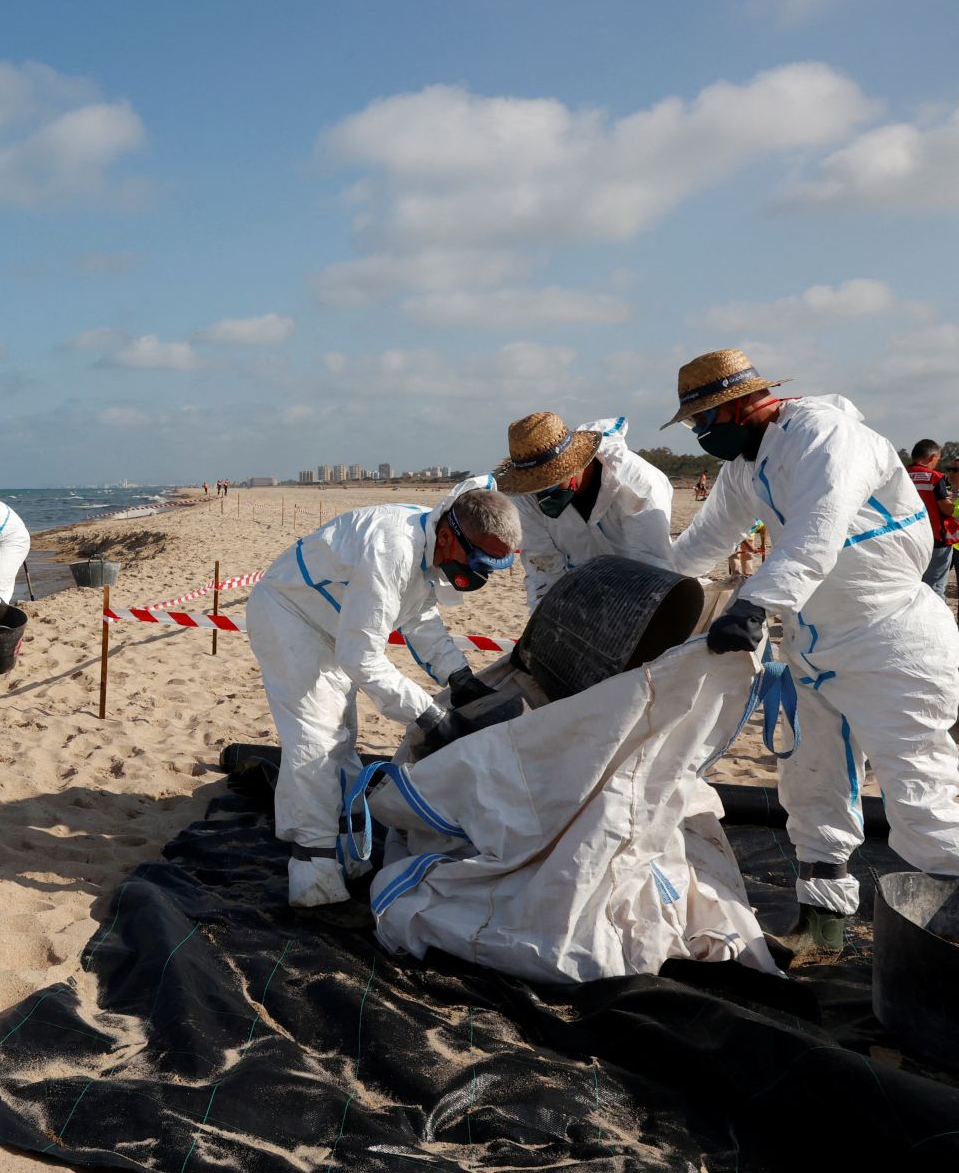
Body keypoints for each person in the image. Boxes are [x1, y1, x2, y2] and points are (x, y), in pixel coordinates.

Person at [665, 349, 959, 954]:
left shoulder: (827, 436)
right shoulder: (747, 466)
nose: (701, 433)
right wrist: (648, 584)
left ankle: (946, 943)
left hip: (891, 642)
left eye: (706, 420)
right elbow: (704, 541)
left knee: (922, 793)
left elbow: (817, 531)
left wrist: (755, 601)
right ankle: (821, 930)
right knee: (813, 784)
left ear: (747, 402)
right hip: (814, 648)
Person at [245, 479, 521, 909]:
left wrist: (460, 676)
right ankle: (314, 885)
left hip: (329, 628)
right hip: (290, 618)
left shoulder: (430, 545)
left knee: (342, 738)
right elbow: (362, 656)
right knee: (315, 745)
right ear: (450, 536)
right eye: (479, 562)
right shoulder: (391, 547)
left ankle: (352, 856)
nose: (481, 576)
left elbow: (419, 614)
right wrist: (429, 716)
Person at [493, 412, 673, 613]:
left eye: (551, 482)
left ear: (575, 463)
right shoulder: (524, 497)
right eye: (535, 486)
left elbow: (652, 571)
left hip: (639, 593)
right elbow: (542, 568)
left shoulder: (637, 484)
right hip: (582, 596)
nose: (541, 493)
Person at [907, 439, 955, 595]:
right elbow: (946, 509)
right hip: (934, 538)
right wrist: (952, 502)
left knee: (910, 585)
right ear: (931, 457)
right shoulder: (934, 477)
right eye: (938, 459)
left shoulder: (899, 474)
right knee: (935, 587)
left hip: (906, 538)